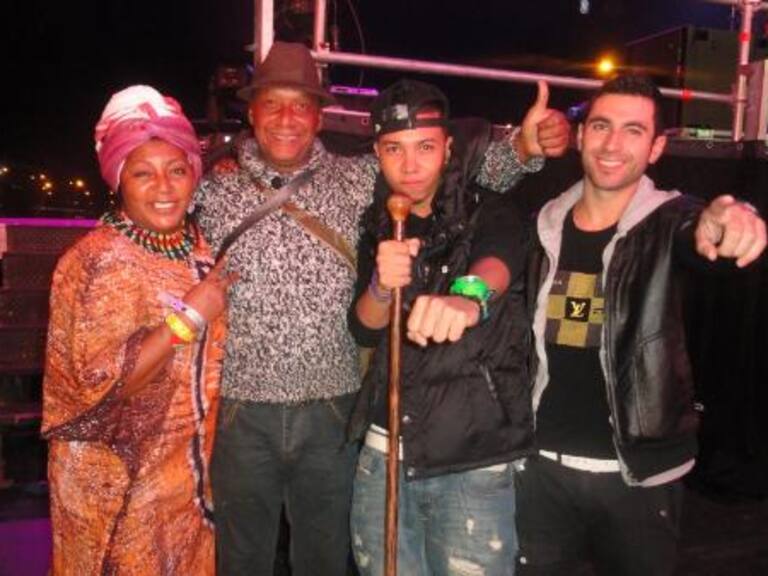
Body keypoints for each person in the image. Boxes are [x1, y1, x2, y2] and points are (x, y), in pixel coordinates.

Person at [196, 41, 569, 575]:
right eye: (271, 104)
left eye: (300, 105)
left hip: (334, 408)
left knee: (324, 559)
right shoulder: (213, 191)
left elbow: (456, 176)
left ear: (319, 116)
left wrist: (524, 149)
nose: (286, 118)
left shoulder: (359, 177)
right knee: (240, 557)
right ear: (251, 113)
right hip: (240, 409)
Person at [516, 74, 767, 576]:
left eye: (633, 131)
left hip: (639, 476)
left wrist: (730, 215)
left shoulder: (670, 221)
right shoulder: (543, 221)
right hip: (541, 472)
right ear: (581, 135)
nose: (612, 144)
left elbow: (704, 227)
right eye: (602, 126)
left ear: (656, 148)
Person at [42, 85, 235, 576]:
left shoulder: (197, 247)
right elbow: (101, 385)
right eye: (143, 173)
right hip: (113, 491)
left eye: (177, 171)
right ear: (118, 180)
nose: (164, 188)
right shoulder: (93, 262)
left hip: (185, 479)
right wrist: (190, 317)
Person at [347, 79, 533, 576]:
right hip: (385, 452)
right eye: (395, 149)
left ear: (448, 148)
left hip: (471, 458)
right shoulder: (378, 225)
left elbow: (496, 264)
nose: (410, 166)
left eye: (425, 147)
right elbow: (364, 330)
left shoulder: (491, 211)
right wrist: (382, 287)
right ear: (378, 154)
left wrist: (466, 298)